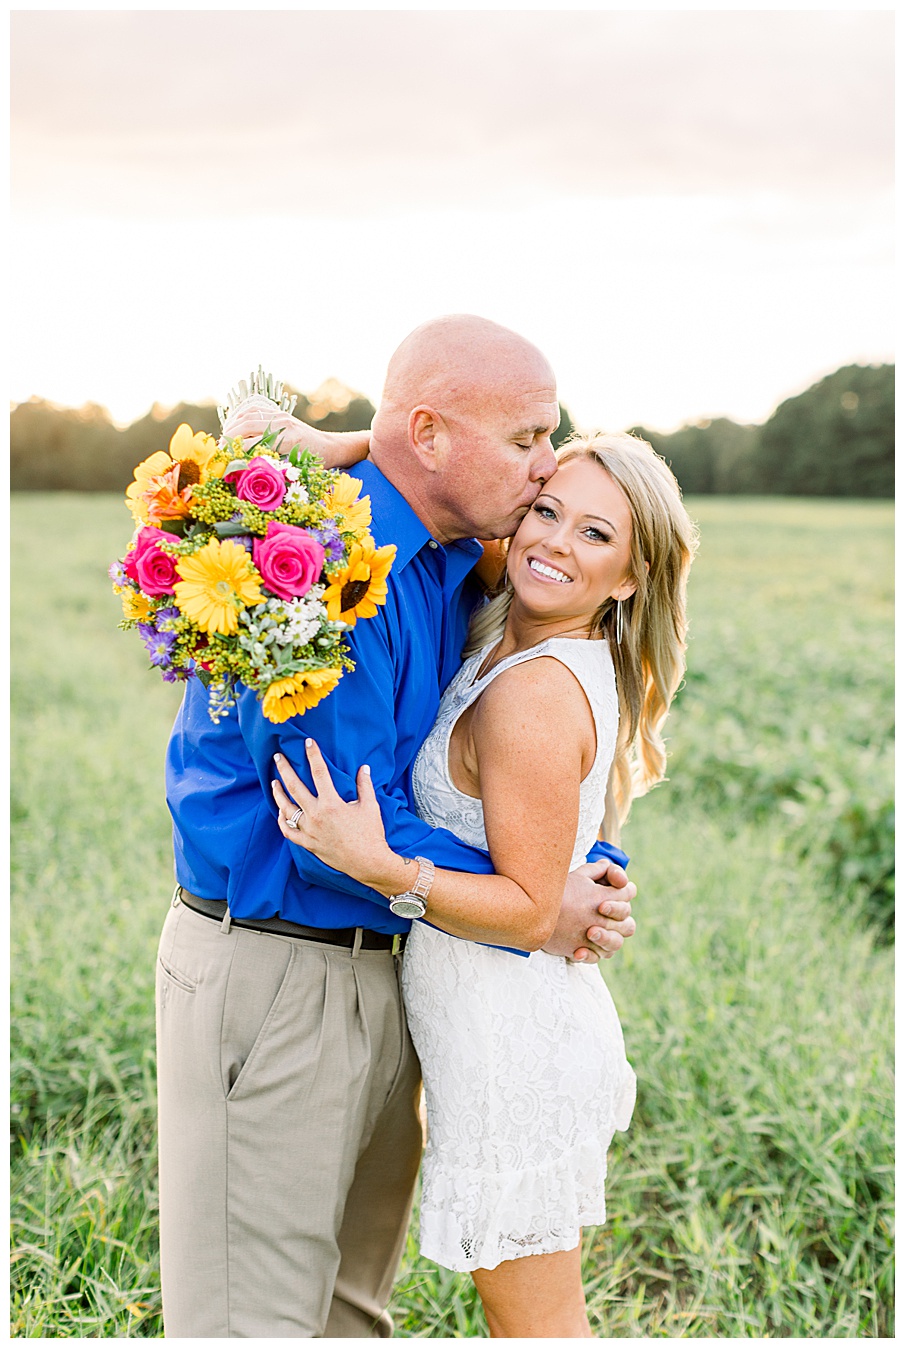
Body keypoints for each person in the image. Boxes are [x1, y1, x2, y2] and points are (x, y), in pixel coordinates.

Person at [156, 316, 639, 1337]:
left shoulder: (453, 551)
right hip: (279, 966)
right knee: (253, 1321)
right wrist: (531, 896)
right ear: (427, 436)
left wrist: (558, 869)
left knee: (347, 1312)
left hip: (395, 968)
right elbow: (342, 817)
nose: (546, 464)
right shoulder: (317, 573)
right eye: (527, 439)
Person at [271, 433, 695, 1335]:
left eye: (595, 535)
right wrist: (332, 444)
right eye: (547, 511)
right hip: (488, 1031)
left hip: (515, 1046)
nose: (553, 543)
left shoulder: (534, 693)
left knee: (539, 1328)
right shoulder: (519, 624)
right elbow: (443, 496)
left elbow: (531, 909)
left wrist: (385, 867)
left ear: (629, 576)